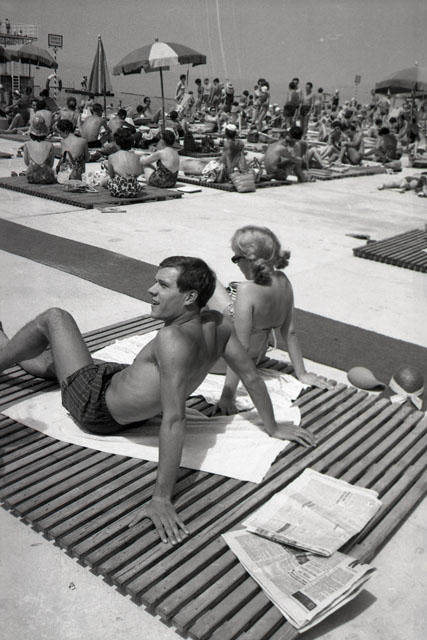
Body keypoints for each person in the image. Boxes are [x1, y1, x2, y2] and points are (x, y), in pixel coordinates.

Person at [0, 256, 316, 544]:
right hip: (114, 382)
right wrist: (272, 426)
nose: (151, 290)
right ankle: (6, 344)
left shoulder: (171, 339)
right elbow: (251, 376)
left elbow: (175, 419)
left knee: (55, 318)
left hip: (94, 406)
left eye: (163, 285)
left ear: (189, 297)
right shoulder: (220, 325)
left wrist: (161, 498)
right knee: (58, 361)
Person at [207, 227, 332, 413]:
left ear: (248, 259)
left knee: (206, 279)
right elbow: (289, 332)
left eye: (236, 259)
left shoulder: (246, 290)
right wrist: (302, 373)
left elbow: (241, 347)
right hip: (257, 358)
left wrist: (227, 396)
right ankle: (232, 311)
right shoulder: (283, 281)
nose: (236, 264)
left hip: (222, 363)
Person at [100, 127, 144, 198]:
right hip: (134, 189)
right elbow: (138, 173)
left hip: (118, 190)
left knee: (103, 180)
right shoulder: (137, 157)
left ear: (117, 143)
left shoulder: (112, 156)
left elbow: (111, 176)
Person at [23, 115, 56, 184]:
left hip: (31, 176)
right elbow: (51, 164)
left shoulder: (27, 144)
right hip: (47, 177)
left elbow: (27, 163)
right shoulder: (50, 145)